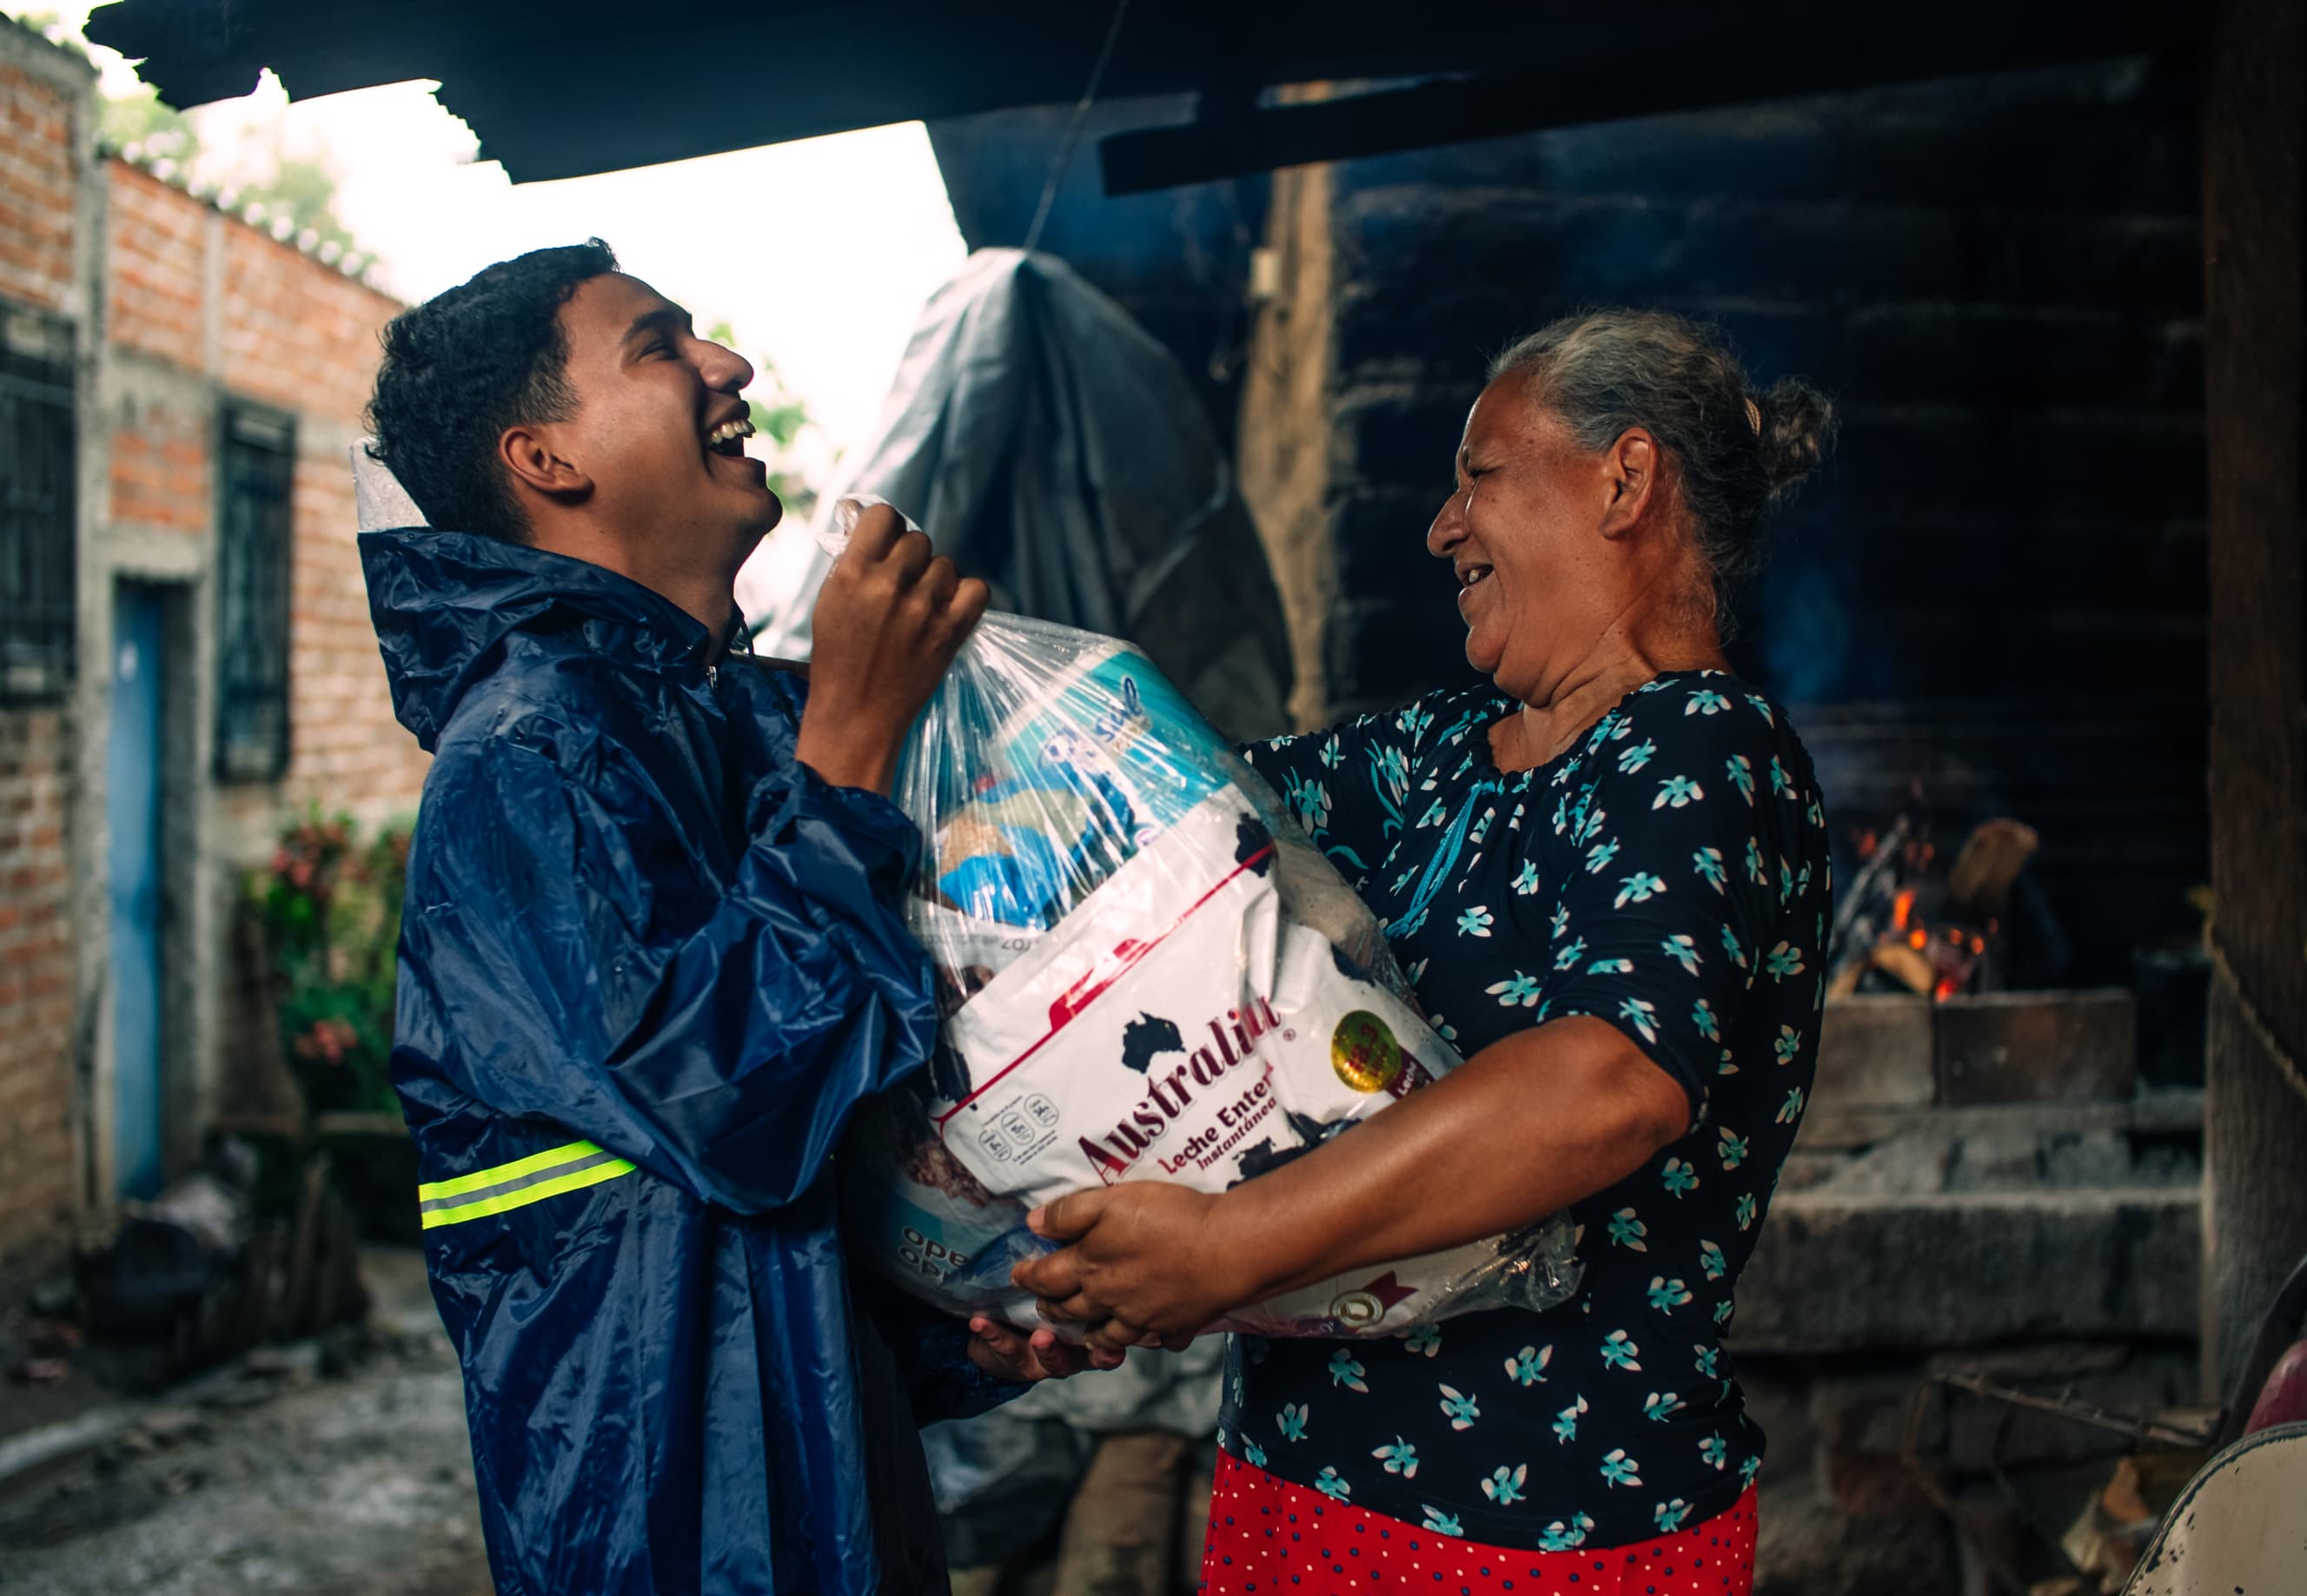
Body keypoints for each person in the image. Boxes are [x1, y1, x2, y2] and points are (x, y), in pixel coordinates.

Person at [1014, 308, 1837, 1592]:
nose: (1442, 526)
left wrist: (1225, 1248)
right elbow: (1170, 835)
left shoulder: (1704, 747)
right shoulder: (1433, 754)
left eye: (1479, 476)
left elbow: (1607, 1084)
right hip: (1295, 1489)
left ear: (1625, 481)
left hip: (1541, 1534)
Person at [360, 239, 1110, 1596]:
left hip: (838, 1515)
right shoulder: (528, 756)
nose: (728, 365)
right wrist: (853, 749)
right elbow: (734, 1106)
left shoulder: (725, 725)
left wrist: (960, 1323)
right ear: (547, 459)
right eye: (659, 345)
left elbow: (780, 1197)